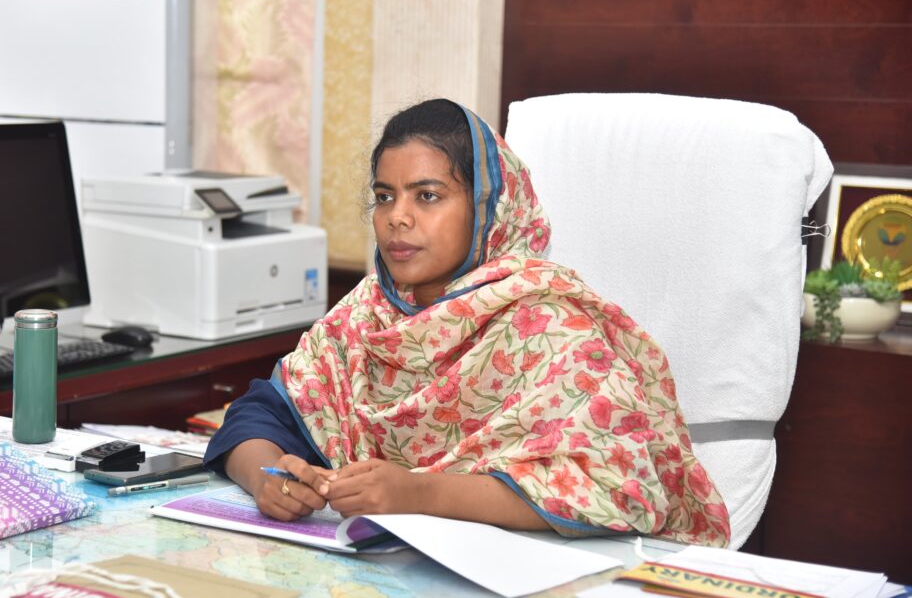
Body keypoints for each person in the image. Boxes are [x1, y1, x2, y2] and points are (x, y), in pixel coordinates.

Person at [203, 98, 730, 546]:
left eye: (427, 195)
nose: (397, 216)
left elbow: (620, 486)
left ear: (488, 209)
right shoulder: (368, 315)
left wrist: (420, 493)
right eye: (385, 196)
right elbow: (259, 414)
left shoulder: (549, 327)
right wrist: (265, 476)